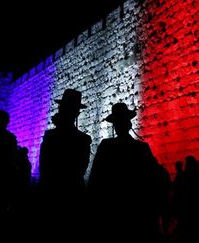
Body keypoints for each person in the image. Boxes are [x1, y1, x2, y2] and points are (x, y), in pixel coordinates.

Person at [88, 102, 159, 241]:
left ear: (115, 125)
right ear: (129, 124)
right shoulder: (142, 148)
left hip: (111, 212)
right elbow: (153, 180)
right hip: (137, 213)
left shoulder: (106, 146)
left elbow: (95, 180)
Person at [38, 89, 91, 241]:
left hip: (52, 197)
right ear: (77, 113)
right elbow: (80, 169)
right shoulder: (83, 139)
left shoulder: (50, 137)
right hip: (72, 198)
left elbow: (44, 169)